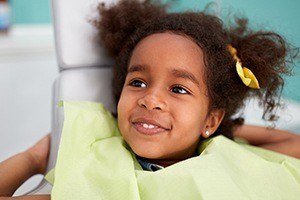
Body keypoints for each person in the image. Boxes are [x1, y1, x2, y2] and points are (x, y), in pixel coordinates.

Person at [1, 0, 300, 199]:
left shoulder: (224, 156)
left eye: (178, 89)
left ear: (211, 118)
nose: (150, 99)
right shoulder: (98, 169)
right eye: (138, 82)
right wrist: (34, 159)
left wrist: (224, 130)